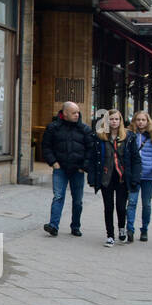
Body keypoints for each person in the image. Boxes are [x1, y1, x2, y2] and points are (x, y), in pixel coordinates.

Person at [41, 100, 96, 237]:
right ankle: (53, 225)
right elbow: (46, 147)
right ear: (64, 113)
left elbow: (91, 150)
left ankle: (75, 226)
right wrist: (54, 163)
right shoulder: (53, 128)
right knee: (58, 196)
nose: (77, 115)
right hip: (60, 169)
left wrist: (84, 167)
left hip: (78, 170)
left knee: (77, 200)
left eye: (78, 112)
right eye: (74, 113)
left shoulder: (85, 129)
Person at [89, 108, 140, 247]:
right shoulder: (99, 137)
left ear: (120, 121)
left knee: (121, 207)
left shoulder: (129, 137)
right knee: (108, 206)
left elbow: (136, 159)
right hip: (106, 176)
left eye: (116, 119)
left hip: (122, 177)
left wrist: (135, 177)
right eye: (111, 119)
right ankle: (110, 235)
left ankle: (122, 229)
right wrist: (92, 177)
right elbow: (93, 159)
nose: (114, 122)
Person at [126, 110, 152, 242]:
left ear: (148, 121)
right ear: (134, 121)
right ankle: (129, 229)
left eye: (143, 120)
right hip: (134, 175)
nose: (140, 122)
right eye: (138, 120)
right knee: (132, 202)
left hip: (150, 175)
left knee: (146, 203)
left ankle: (144, 229)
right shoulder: (130, 134)